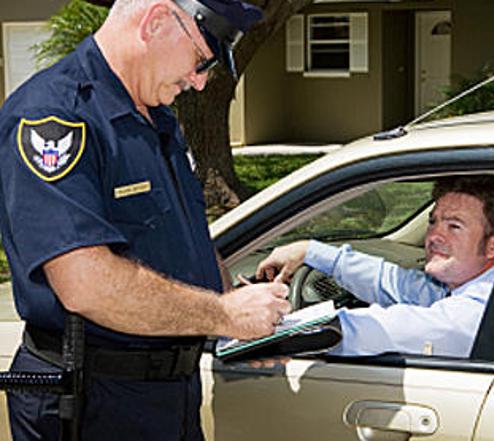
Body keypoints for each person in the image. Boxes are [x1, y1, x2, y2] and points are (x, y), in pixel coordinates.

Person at [0, 0, 291, 439]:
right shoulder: (54, 117)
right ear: (156, 21)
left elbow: (182, 233)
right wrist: (222, 315)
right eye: (200, 60)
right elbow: (85, 284)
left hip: (168, 394)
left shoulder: (157, 119)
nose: (199, 82)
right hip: (93, 402)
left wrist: (237, 310)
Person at [256, 175, 494, 358]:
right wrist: (310, 252)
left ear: (493, 245)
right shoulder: (492, 283)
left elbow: (375, 330)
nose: (434, 236)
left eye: (454, 226)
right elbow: (401, 286)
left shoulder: (474, 313)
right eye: (433, 222)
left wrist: (260, 324)